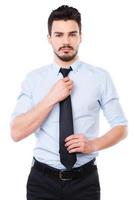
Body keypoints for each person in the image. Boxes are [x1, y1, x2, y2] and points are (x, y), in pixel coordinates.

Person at [10, 5, 128, 200]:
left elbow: (121, 127)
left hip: (85, 181)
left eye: (72, 34)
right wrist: (51, 98)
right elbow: (16, 132)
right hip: (42, 181)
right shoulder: (33, 79)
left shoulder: (100, 77)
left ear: (81, 36)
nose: (66, 41)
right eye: (58, 35)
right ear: (49, 38)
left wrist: (93, 145)